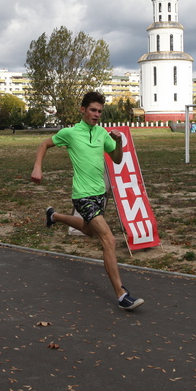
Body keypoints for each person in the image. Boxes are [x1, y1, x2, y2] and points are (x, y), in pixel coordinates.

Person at [31, 91, 144, 311]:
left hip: (99, 194)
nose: (96, 114)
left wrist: (118, 142)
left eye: (100, 111)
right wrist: (37, 167)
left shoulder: (102, 133)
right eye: (93, 110)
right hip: (82, 195)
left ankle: (53, 216)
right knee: (108, 240)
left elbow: (118, 160)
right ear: (83, 110)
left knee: (90, 231)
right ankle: (122, 295)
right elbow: (44, 145)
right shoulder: (70, 133)